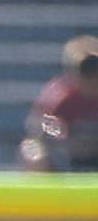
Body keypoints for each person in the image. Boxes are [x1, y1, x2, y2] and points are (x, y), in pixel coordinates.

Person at [22, 36, 98, 173]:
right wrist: (65, 141)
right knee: (33, 153)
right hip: (68, 154)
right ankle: (47, 193)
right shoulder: (60, 96)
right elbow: (39, 129)